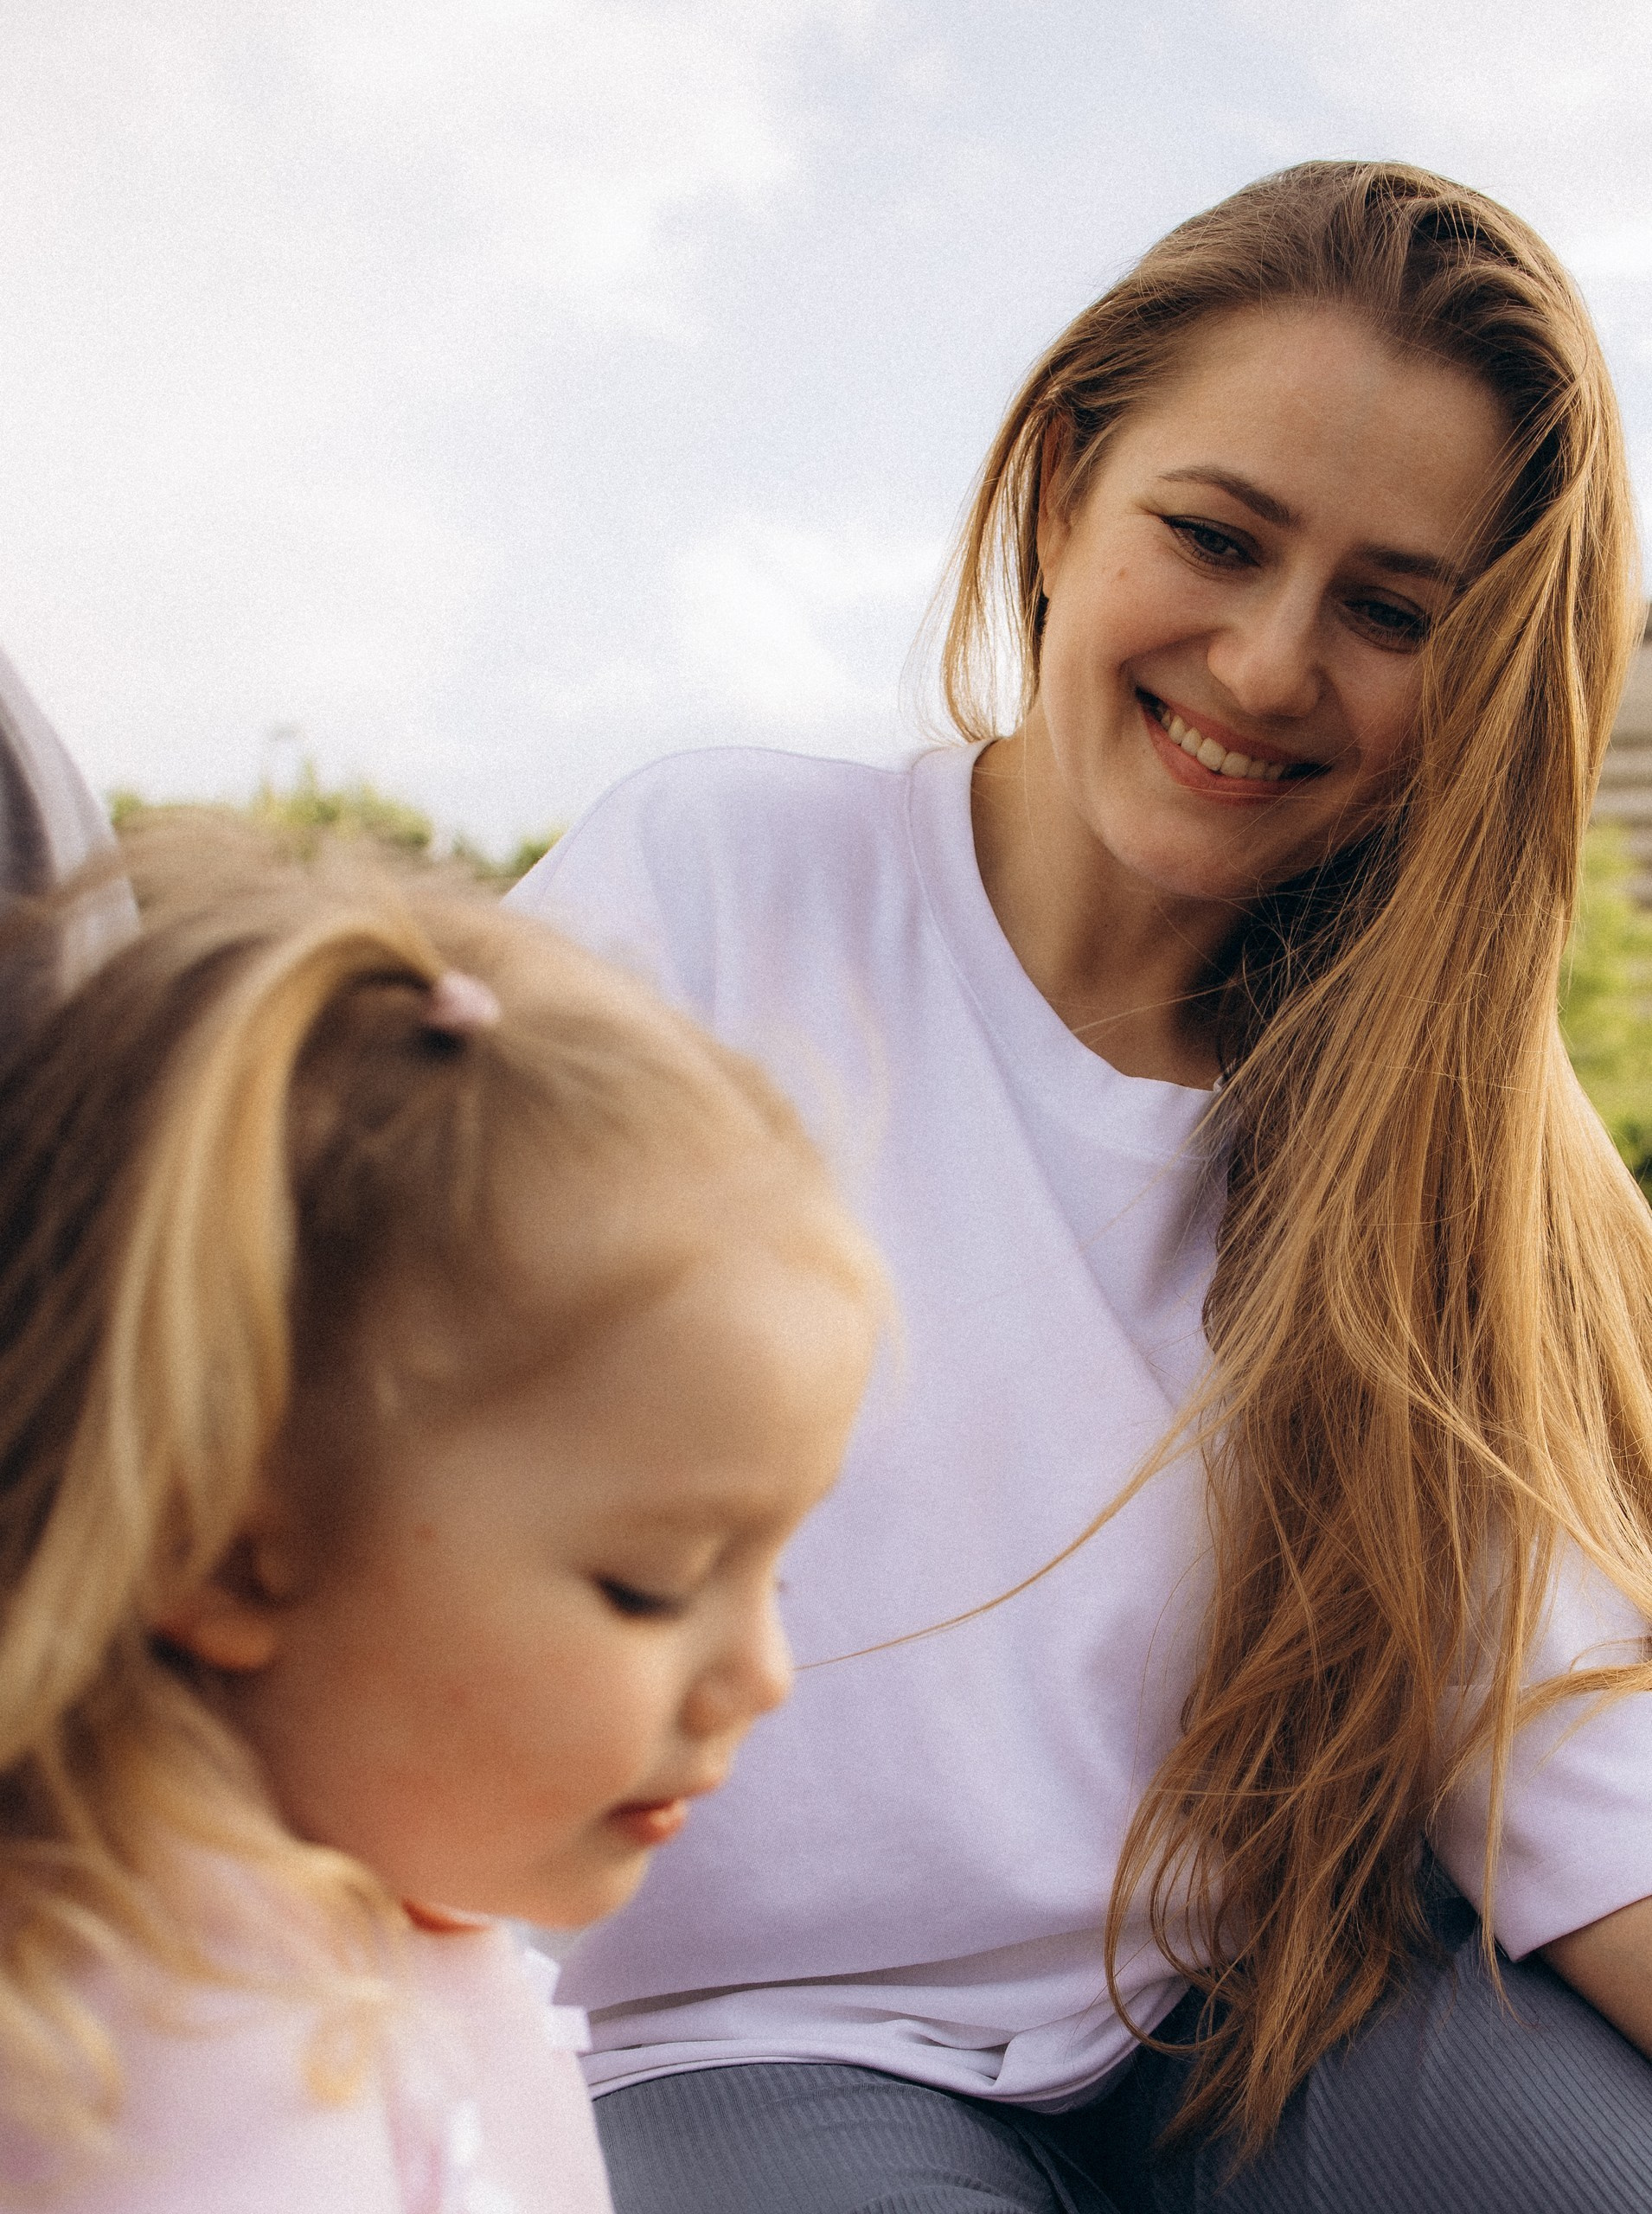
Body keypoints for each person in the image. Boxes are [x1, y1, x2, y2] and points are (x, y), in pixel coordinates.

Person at [510, 161, 1652, 2211]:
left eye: (1391, 610)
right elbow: (314, 1425)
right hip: (741, 2025)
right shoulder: (708, 893)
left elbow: (1556, 1743)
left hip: (1253, 2016)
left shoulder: (1429, 1122)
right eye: (1214, 538)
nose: (1271, 663)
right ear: (1059, 493)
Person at [0, 824, 881, 2211]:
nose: (761, 1675)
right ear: (224, 1548)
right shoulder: (183, 2088)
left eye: (772, 1570)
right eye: (651, 1586)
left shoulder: (374, 1902)